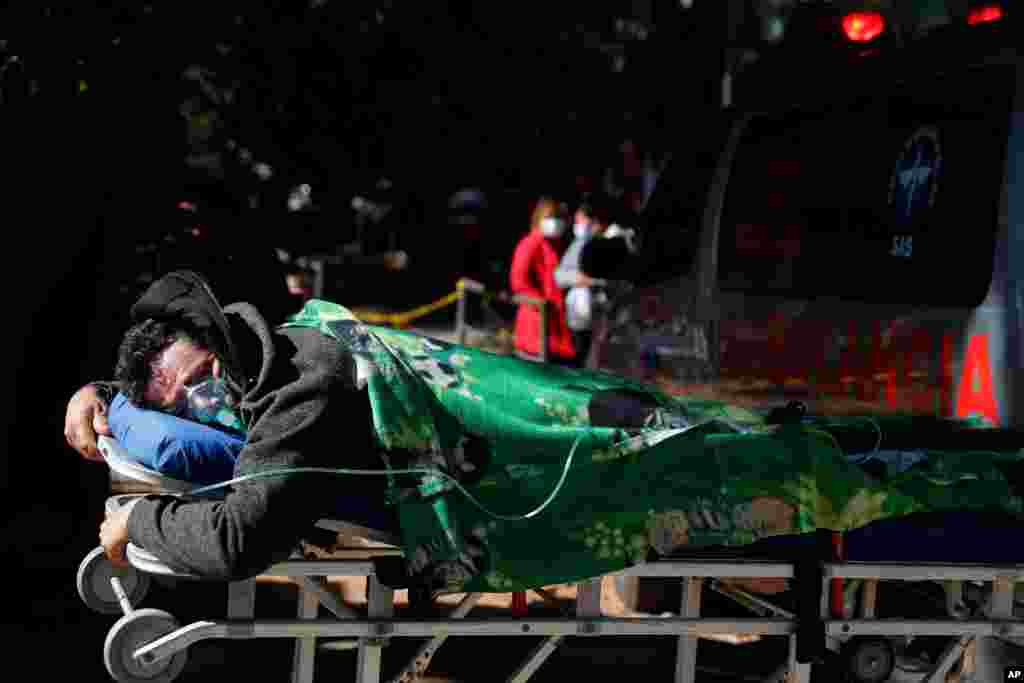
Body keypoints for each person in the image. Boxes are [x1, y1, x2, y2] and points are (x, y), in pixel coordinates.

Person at [64, 270, 387, 580]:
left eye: (202, 376)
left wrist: (137, 520)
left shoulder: (304, 390)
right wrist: (99, 394)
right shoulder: (263, 358)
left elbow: (239, 543)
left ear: (217, 340)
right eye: (182, 404)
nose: (204, 402)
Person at [508, 197, 576, 366]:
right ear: (539, 218)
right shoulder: (530, 243)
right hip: (536, 325)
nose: (556, 222)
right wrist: (543, 303)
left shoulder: (556, 245)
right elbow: (518, 281)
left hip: (555, 325)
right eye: (552, 217)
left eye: (560, 218)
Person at [554, 195, 613, 368]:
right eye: (577, 220)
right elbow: (559, 277)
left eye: (582, 220)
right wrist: (581, 279)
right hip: (580, 315)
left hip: (602, 316)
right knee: (581, 360)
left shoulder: (609, 243)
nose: (578, 225)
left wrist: (595, 280)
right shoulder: (579, 245)